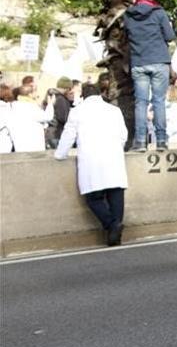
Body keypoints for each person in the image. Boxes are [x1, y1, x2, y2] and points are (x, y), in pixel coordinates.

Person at [54, 81, 130, 247]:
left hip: (91, 160)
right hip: (113, 158)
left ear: (83, 96)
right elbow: (124, 134)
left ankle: (112, 226)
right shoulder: (114, 110)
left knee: (94, 199)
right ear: (99, 94)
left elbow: (68, 136)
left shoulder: (77, 112)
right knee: (116, 195)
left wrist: (60, 154)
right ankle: (115, 234)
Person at [124, 0, 176, 151]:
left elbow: (127, 37)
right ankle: (161, 140)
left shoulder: (128, 15)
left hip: (139, 62)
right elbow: (169, 36)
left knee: (141, 102)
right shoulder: (158, 13)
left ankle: (140, 141)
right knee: (158, 101)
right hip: (159, 60)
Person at [9, 85, 49, 152]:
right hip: (34, 143)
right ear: (30, 94)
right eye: (35, 92)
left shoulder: (14, 106)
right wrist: (50, 104)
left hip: (20, 143)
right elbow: (47, 117)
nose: (37, 94)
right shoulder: (32, 106)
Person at [44, 77, 74, 149]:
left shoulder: (50, 96)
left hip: (50, 132)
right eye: (70, 89)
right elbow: (63, 118)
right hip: (57, 133)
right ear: (67, 88)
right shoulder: (60, 99)